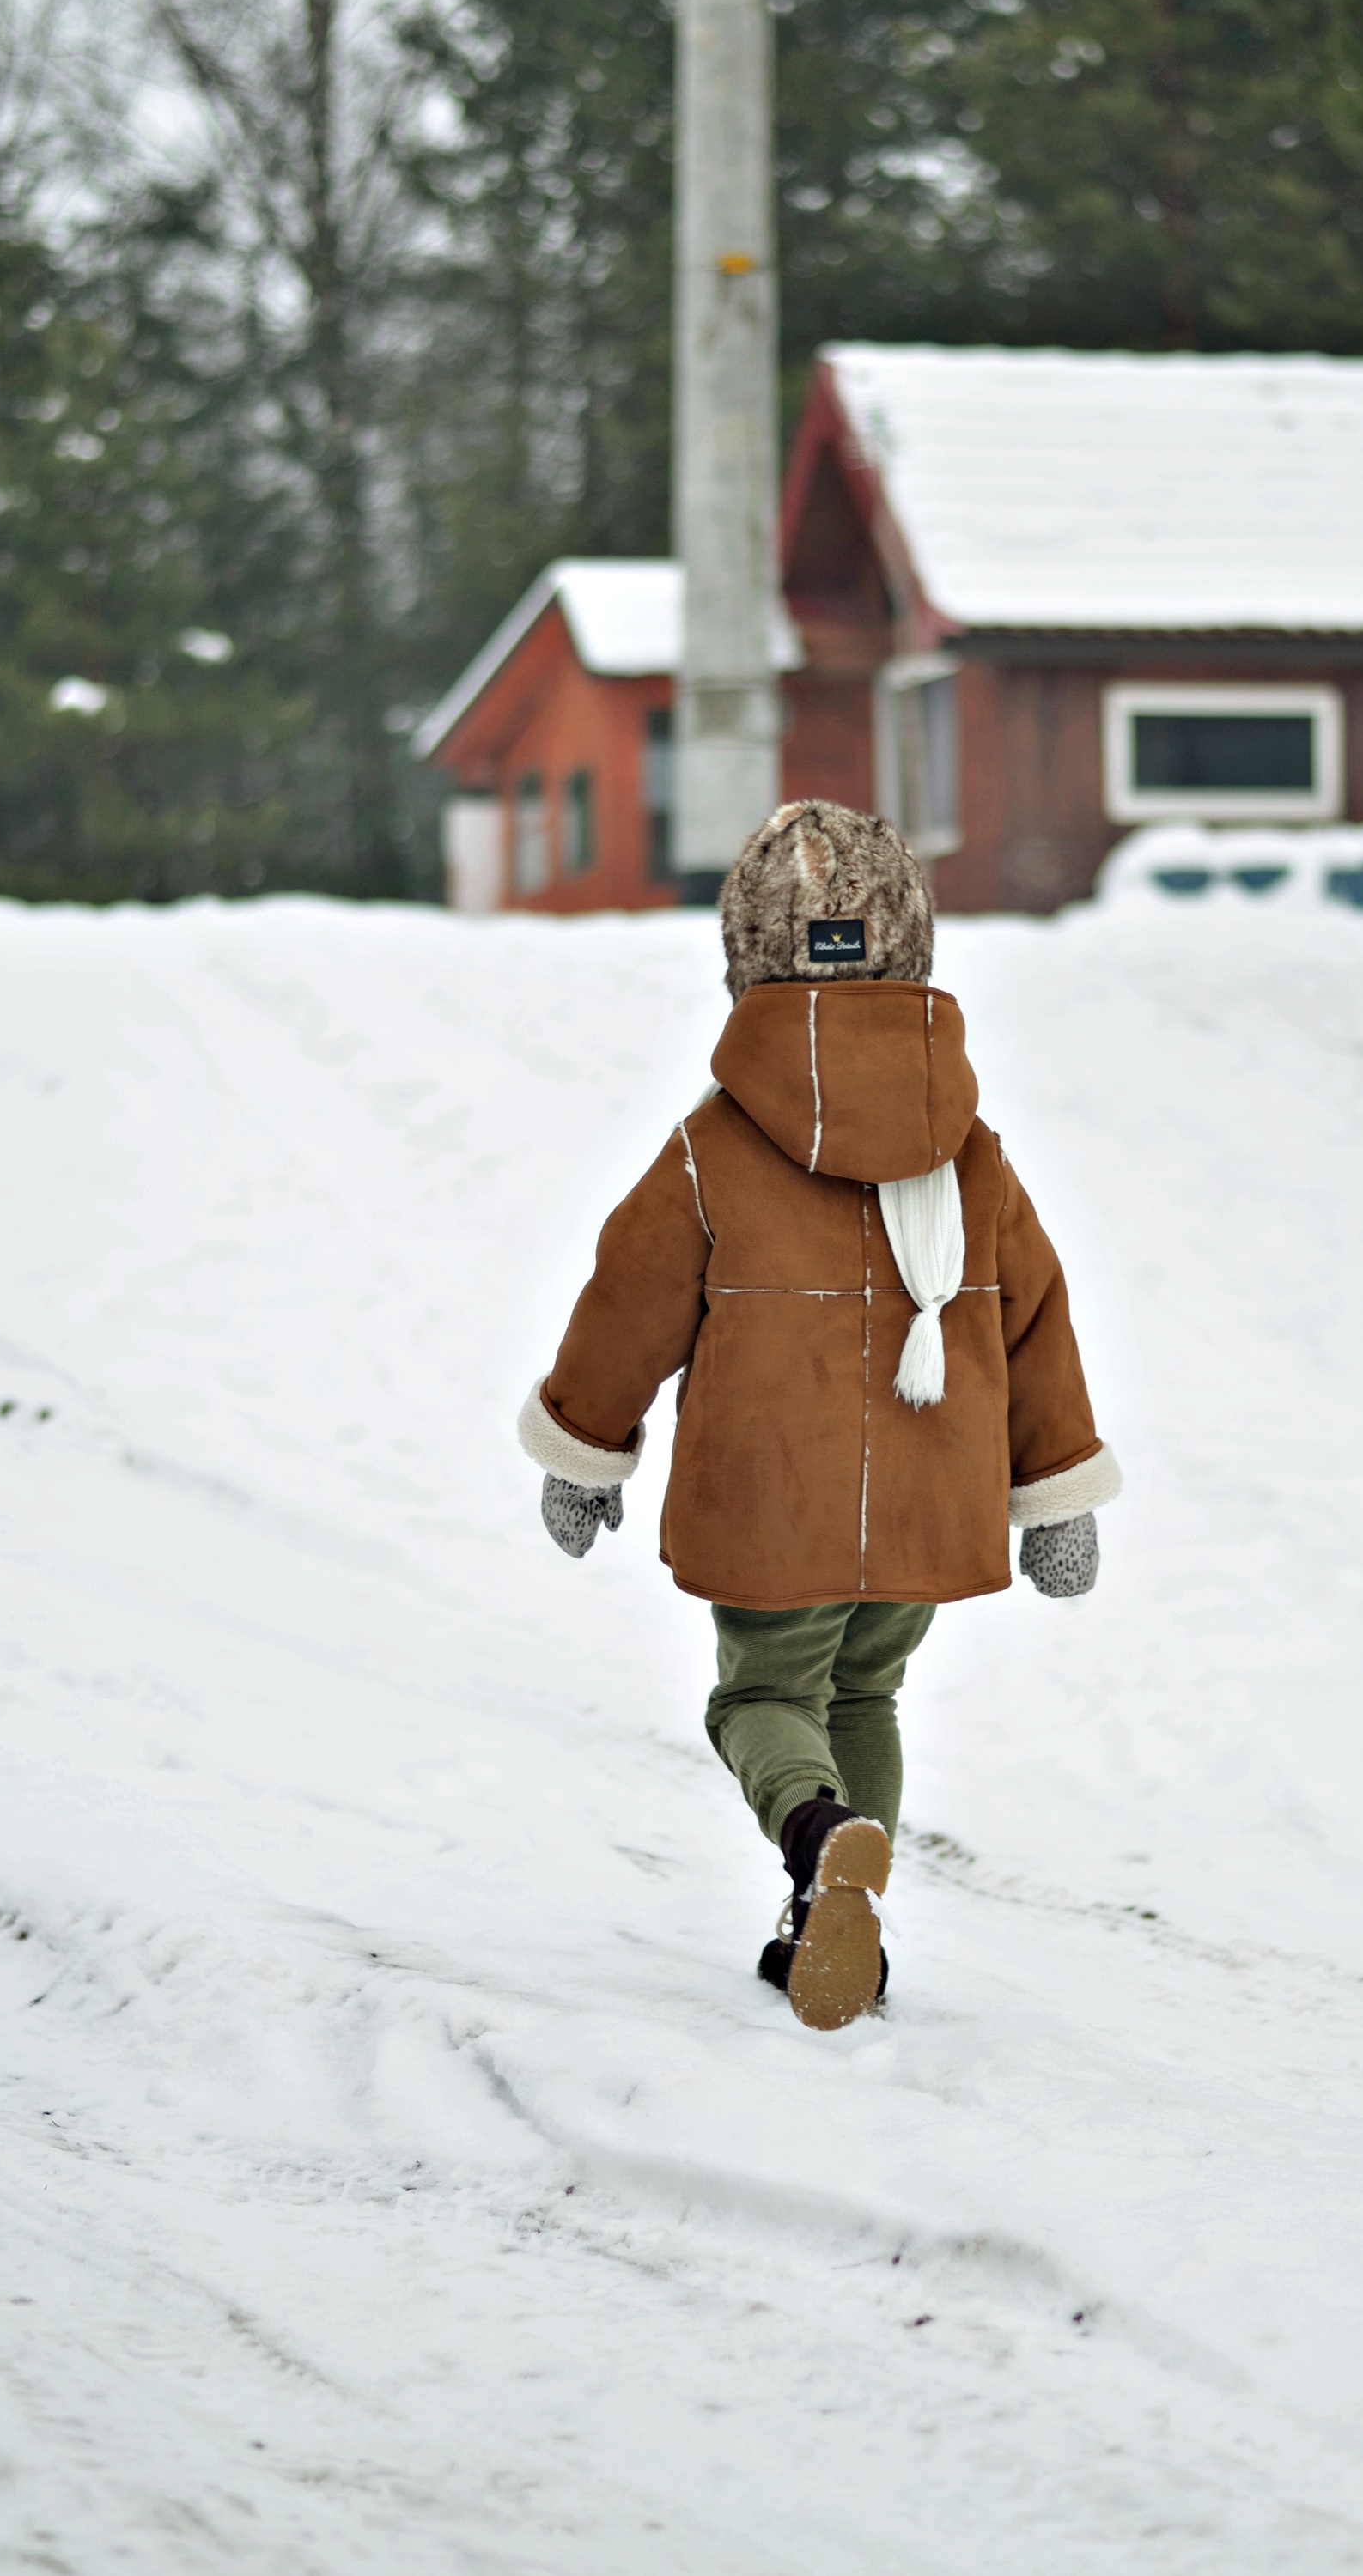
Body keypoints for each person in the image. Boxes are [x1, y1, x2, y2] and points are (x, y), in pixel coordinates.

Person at [519, 800, 1120, 2031]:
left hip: (770, 1498)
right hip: (928, 1491)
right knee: (864, 1696)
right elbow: (1036, 1319)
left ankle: (815, 1835)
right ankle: (835, 1920)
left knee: (762, 1700)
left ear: (748, 955)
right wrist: (1057, 1491)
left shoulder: (714, 1148)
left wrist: (585, 1449)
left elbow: (629, 1302)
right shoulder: (970, 1154)